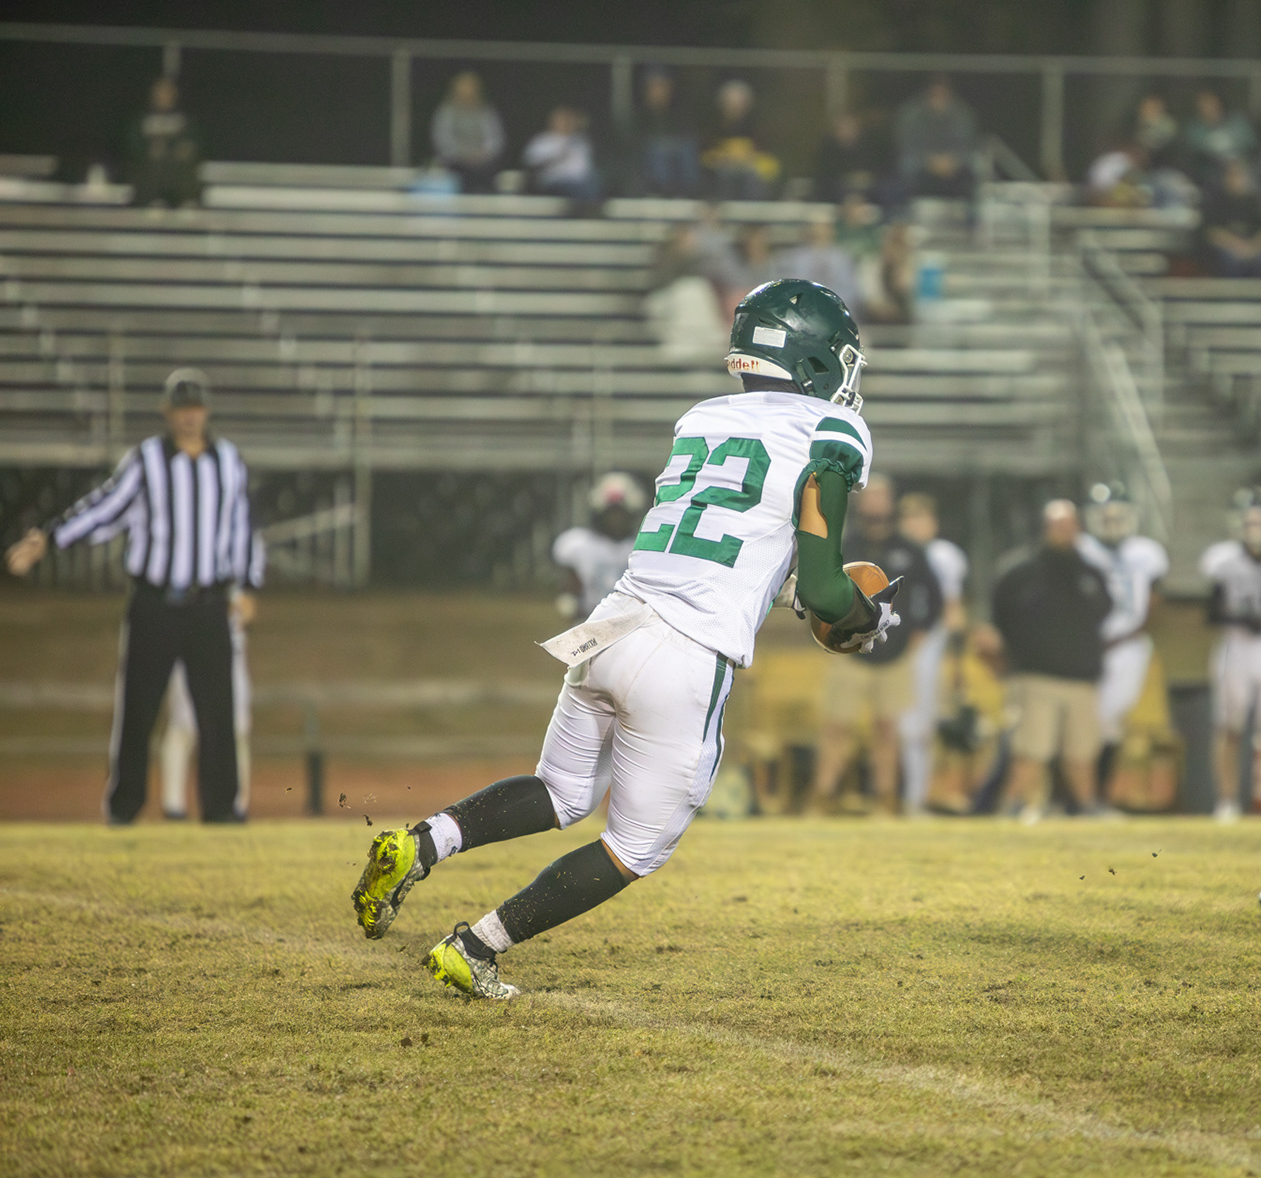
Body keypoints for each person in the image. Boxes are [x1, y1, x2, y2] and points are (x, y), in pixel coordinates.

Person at [351, 280, 897, 999]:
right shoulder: (832, 429)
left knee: (559, 790)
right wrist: (864, 618)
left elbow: (739, 539)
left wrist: (791, 586)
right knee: (636, 847)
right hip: (685, 651)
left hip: (612, 624)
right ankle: (475, 947)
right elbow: (826, 590)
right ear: (815, 356)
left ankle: (420, 843)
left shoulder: (703, 417)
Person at [6, 369, 263, 824]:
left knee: (217, 713)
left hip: (208, 604)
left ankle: (222, 811)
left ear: (206, 411)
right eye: (181, 409)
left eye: (195, 408)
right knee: (138, 710)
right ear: (167, 412)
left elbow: (243, 528)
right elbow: (105, 508)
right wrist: (50, 536)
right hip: (154, 604)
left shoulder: (228, 462)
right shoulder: (146, 461)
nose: (189, 417)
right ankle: (124, 808)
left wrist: (248, 587)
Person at [809, 476, 943, 815]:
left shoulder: (910, 550)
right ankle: (821, 798)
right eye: (871, 498)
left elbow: (935, 599)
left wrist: (917, 635)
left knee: (887, 730)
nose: (876, 505)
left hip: (894, 656)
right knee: (836, 727)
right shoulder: (845, 545)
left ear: (891, 503)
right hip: (849, 653)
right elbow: (817, 591)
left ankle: (886, 800)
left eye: (882, 498)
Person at [992, 501, 1112, 820]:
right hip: (1036, 676)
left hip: (1081, 676)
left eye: (1070, 525)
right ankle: (1011, 806)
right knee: (1031, 750)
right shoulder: (1020, 572)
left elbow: (1103, 614)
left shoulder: (1090, 572)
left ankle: (1087, 807)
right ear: (1044, 528)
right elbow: (1000, 618)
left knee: (1082, 752)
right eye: (1058, 526)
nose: (1065, 532)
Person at [159, 527, 261, 820]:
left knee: (237, 727)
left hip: (230, 647)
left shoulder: (241, 540)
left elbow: (247, 603)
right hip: (189, 638)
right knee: (184, 726)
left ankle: (235, 804)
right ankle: (174, 806)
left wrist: (241, 603)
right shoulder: (183, 539)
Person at [1201, 497, 1261, 823]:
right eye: (1248, 522)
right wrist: (1242, 618)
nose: (1254, 529)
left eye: (1259, 521)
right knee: (1229, 728)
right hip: (1236, 645)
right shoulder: (1222, 560)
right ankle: (1226, 800)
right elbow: (1210, 612)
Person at [1077, 485, 1169, 790]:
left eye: (1118, 516)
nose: (1112, 522)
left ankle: (1096, 794)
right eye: (1105, 516)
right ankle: (1081, 795)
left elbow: (1154, 601)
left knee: (1111, 720)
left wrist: (1131, 633)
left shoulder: (1145, 552)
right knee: (1082, 722)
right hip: (1085, 645)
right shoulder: (1080, 548)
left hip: (1129, 646)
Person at [896, 492, 969, 815]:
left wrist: (955, 660)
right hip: (894, 648)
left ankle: (917, 798)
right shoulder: (893, 552)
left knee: (919, 727)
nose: (915, 525)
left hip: (930, 649)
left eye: (921, 518)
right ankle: (900, 797)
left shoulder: (944, 555)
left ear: (933, 522)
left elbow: (953, 610)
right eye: (909, 519)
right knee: (898, 727)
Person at [551, 472, 648, 620]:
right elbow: (571, 589)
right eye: (611, 513)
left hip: (630, 622)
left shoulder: (641, 547)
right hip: (589, 620)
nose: (616, 519)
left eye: (620, 513)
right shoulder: (579, 544)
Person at [894, 76, 977, 200]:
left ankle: (968, 202)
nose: (939, 97)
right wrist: (931, 162)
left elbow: (967, 143)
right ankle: (911, 201)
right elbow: (907, 145)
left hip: (953, 163)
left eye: (943, 93)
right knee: (907, 163)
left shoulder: (961, 114)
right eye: (935, 93)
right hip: (923, 161)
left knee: (975, 162)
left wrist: (951, 161)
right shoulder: (912, 114)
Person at [126, 76, 203, 207]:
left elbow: (195, 143)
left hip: (179, 176)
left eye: (168, 92)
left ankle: (187, 201)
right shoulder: (142, 121)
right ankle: (153, 201)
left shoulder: (186, 121)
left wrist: (183, 149)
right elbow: (134, 146)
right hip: (150, 176)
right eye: (160, 92)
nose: (164, 96)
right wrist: (150, 150)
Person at [626, 67, 701, 198]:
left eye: (663, 87)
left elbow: (687, 138)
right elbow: (635, 146)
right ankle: (661, 192)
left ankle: (687, 195)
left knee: (686, 149)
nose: (659, 92)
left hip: (677, 162)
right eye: (654, 87)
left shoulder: (680, 114)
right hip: (650, 168)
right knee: (656, 152)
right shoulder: (638, 117)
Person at [703, 79, 779, 200]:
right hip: (722, 173)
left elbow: (768, 161)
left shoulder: (757, 129)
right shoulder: (712, 128)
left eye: (739, 104)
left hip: (749, 172)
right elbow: (705, 157)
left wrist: (749, 159)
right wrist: (722, 158)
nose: (735, 108)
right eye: (731, 104)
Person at [432, 71, 506, 194]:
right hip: (456, 162)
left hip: (483, 161)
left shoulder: (486, 112)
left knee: (487, 173)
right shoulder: (446, 113)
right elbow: (442, 140)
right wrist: (463, 154)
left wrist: (482, 154)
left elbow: (496, 139)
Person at [1199, 159, 1261, 278]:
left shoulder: (1256, 202)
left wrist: (1253, 248)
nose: (1235, 179)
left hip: (1253, 247)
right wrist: (1238, 247)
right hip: (1227, 248)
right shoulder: (1215, 201)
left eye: (1239, 175)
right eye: (1231, 175)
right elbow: (1211, 232)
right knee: (1228, 259)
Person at [779, 216, 863, 320]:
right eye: (814, 226)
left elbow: (850, 291)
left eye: (824, 227)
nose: (819, 231)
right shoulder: (793, 258)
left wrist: (831, 306)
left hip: (837, 313)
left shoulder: (843, 258)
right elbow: (791, 289)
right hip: (802, 315)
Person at [524, 107, 601, 208]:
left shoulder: (580, 141)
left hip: (582, 183)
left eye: (568, 119)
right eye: (561, 120)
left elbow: (587, 167)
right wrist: (557, 157)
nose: (565, 123)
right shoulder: (542, 140)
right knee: (581, 191)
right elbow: (531, 165)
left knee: (595, 183)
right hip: (555, 183)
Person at [1180, 89, 1256, 190]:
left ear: (1218, 102)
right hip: (1214, 171)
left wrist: (1238, 163)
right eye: (1203, 103)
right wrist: (1227, 165)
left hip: (1243, 166)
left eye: (1210, 102)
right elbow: (1197, 153)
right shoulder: (1194, 129)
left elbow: (1253, 146)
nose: (1208, 106)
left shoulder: (1238, 122)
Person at [814, 111, 890, 206]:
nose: (847, 131)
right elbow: (825, 180)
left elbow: (882, 172)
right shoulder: (828, 151)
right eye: (842, 128)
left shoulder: (872, 146)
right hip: (840, 196)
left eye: (850, 126)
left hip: (871, 194)